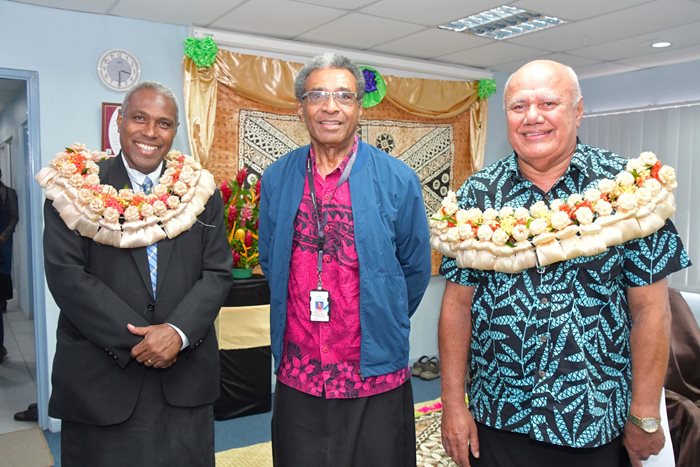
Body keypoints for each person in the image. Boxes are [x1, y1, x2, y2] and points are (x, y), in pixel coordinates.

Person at [437, 60, 691, 467]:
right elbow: (457, 306)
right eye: (519, 106)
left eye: (548, 103)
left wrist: (644, 413)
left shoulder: (628, 190)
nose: (532, 117)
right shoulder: (476, 195)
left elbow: (651, 311)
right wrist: (452, 404)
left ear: (578, 110)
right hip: (498, 416)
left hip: (594, 419)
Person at [40, 81, 233, 466]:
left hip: (184, 377)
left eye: (163, 123)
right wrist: (143, 340)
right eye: (139, 118)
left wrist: (175, 332)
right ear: (120, 121)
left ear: (174, 131)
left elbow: (217, 272)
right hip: (101, 378)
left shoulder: (200, 191)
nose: (150, 132)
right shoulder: (75, 187)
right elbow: (67, 276)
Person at [259, 52, 432, 467]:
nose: (330, 107)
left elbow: (415, 269)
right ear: (300, 107)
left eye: (343, 96)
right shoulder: (278, 177)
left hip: (372, 369)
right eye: (317, 95)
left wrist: (380, 312)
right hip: (300, 368)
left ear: (359, 107)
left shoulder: (397, 179)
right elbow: (269, 257)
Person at [0, 168, 17, 363]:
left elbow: (14, 217)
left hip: (3, 242)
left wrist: (4, 236)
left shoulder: (8, 193)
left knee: (4, 276)